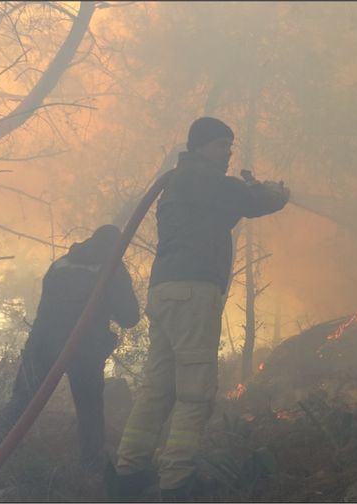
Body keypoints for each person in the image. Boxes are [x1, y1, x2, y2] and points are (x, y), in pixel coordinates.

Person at [112, 117, 289, 501]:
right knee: (195, 392)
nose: (228, 152)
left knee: (157, 387)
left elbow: (224, 212)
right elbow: (250, 202)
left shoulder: (184, 183)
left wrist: (248, 191)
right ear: (202, 146)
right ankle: (176, 480)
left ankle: (129, 470)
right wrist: (275, 193)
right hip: (193, 294)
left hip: (166, 294)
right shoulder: (203, 179)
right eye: (223, 144)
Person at [0, 224, 140, 492]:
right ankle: (92, 475)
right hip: (83, 351)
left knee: (18, 407)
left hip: (40, 347)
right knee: (89, 412)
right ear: (116, 247)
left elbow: (46, 310)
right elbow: (130, 317)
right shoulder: (112, 268)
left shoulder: (61, 264)